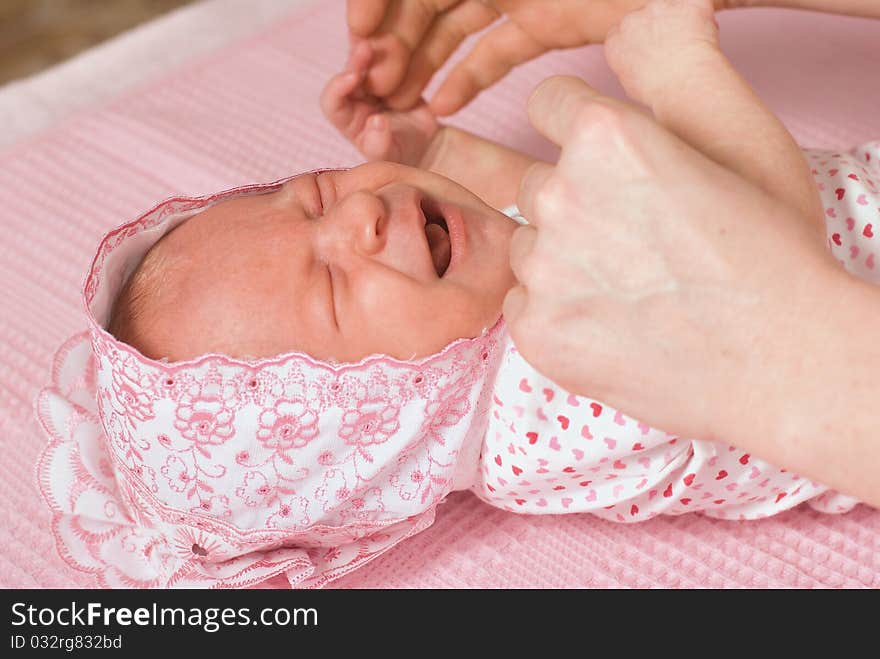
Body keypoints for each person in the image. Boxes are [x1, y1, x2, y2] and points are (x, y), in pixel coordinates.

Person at [345, 0, 880, 507]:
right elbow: (764, 237)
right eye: (328, 284)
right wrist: (678, 72)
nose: (355, 216)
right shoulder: (556, 393)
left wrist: (444, 156)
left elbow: (594, 219)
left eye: (316, 200)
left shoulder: (507, 405)